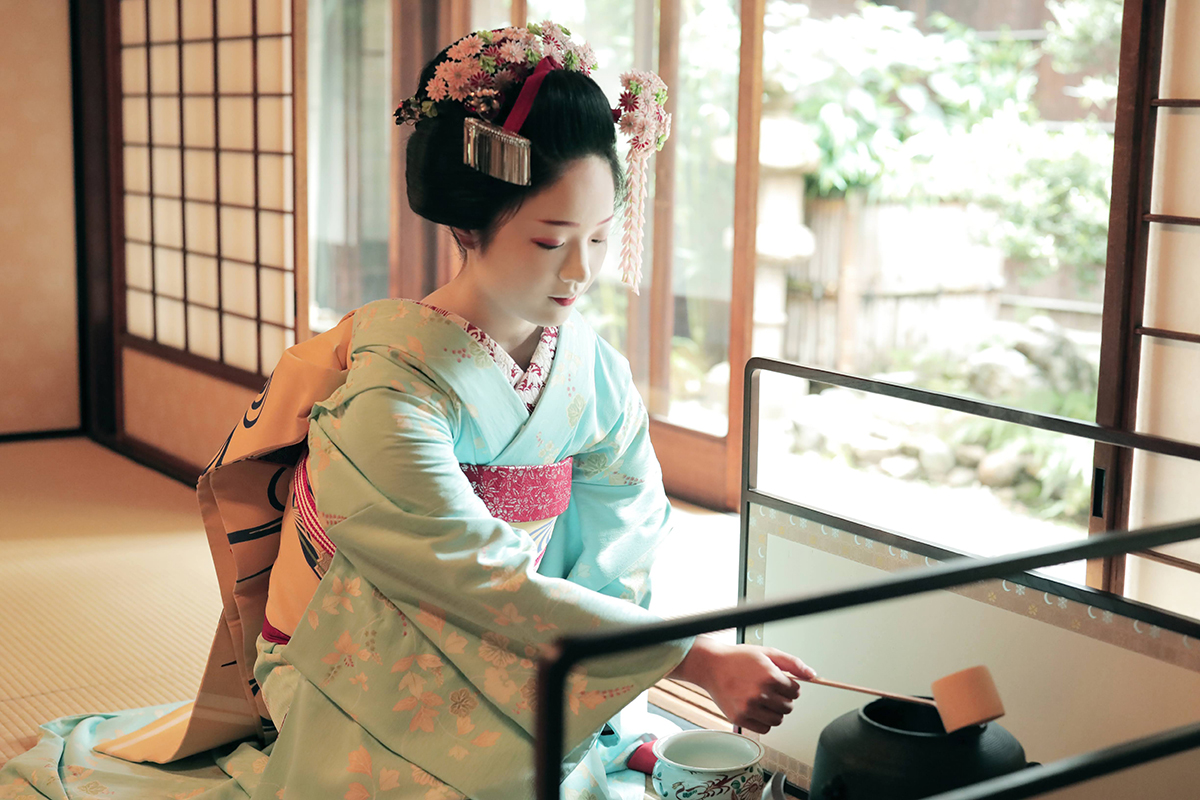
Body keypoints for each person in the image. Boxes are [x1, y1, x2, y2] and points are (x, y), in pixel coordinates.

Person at [0, 22, 812, 800]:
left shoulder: (593, 372)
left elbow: (621, 536)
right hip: (376, 637)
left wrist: (605, 691)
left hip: (521, 634)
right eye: (548, 239)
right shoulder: (388, 390)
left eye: (600, 238)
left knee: (573, 761)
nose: (581, 270)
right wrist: (689, 658)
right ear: (470, 219)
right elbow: (465, 570)